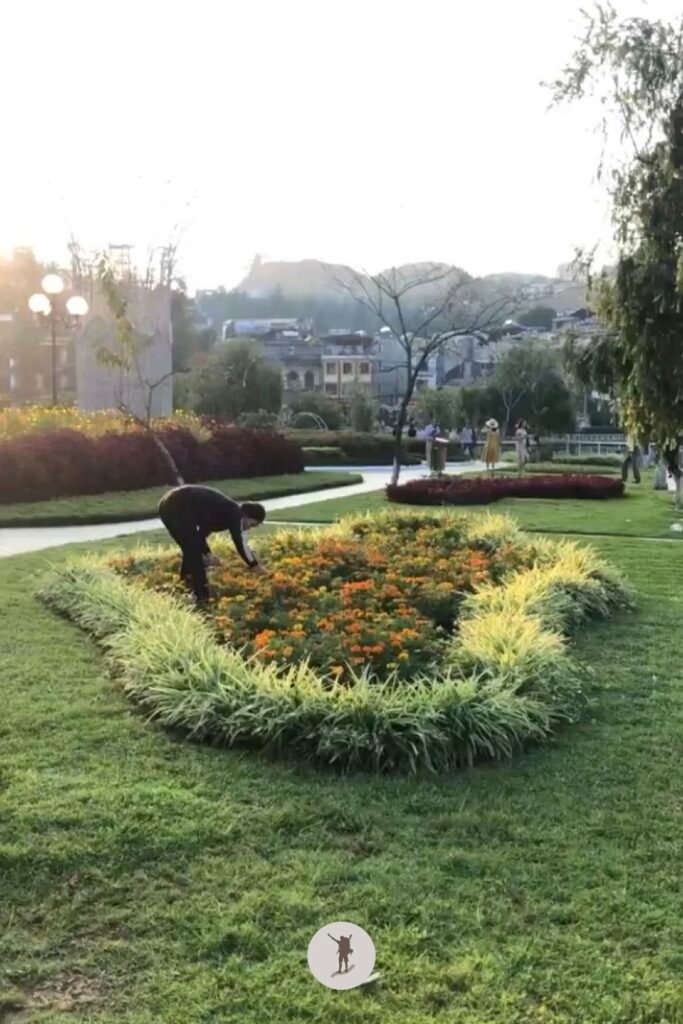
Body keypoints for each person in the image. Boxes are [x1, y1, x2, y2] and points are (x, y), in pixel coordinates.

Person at [158, 485, 267, 603]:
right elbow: (239, 541)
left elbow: (200, 535)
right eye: (252, 524)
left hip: (167, 504)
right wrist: (254, 565)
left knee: (190, 548)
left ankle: (186, 582)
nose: (248, 528)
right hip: (177, 504)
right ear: (246, 516)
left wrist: (207, 553)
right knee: (194, 553)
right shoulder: (236, 514)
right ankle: (202, 598)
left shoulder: (223, 514)